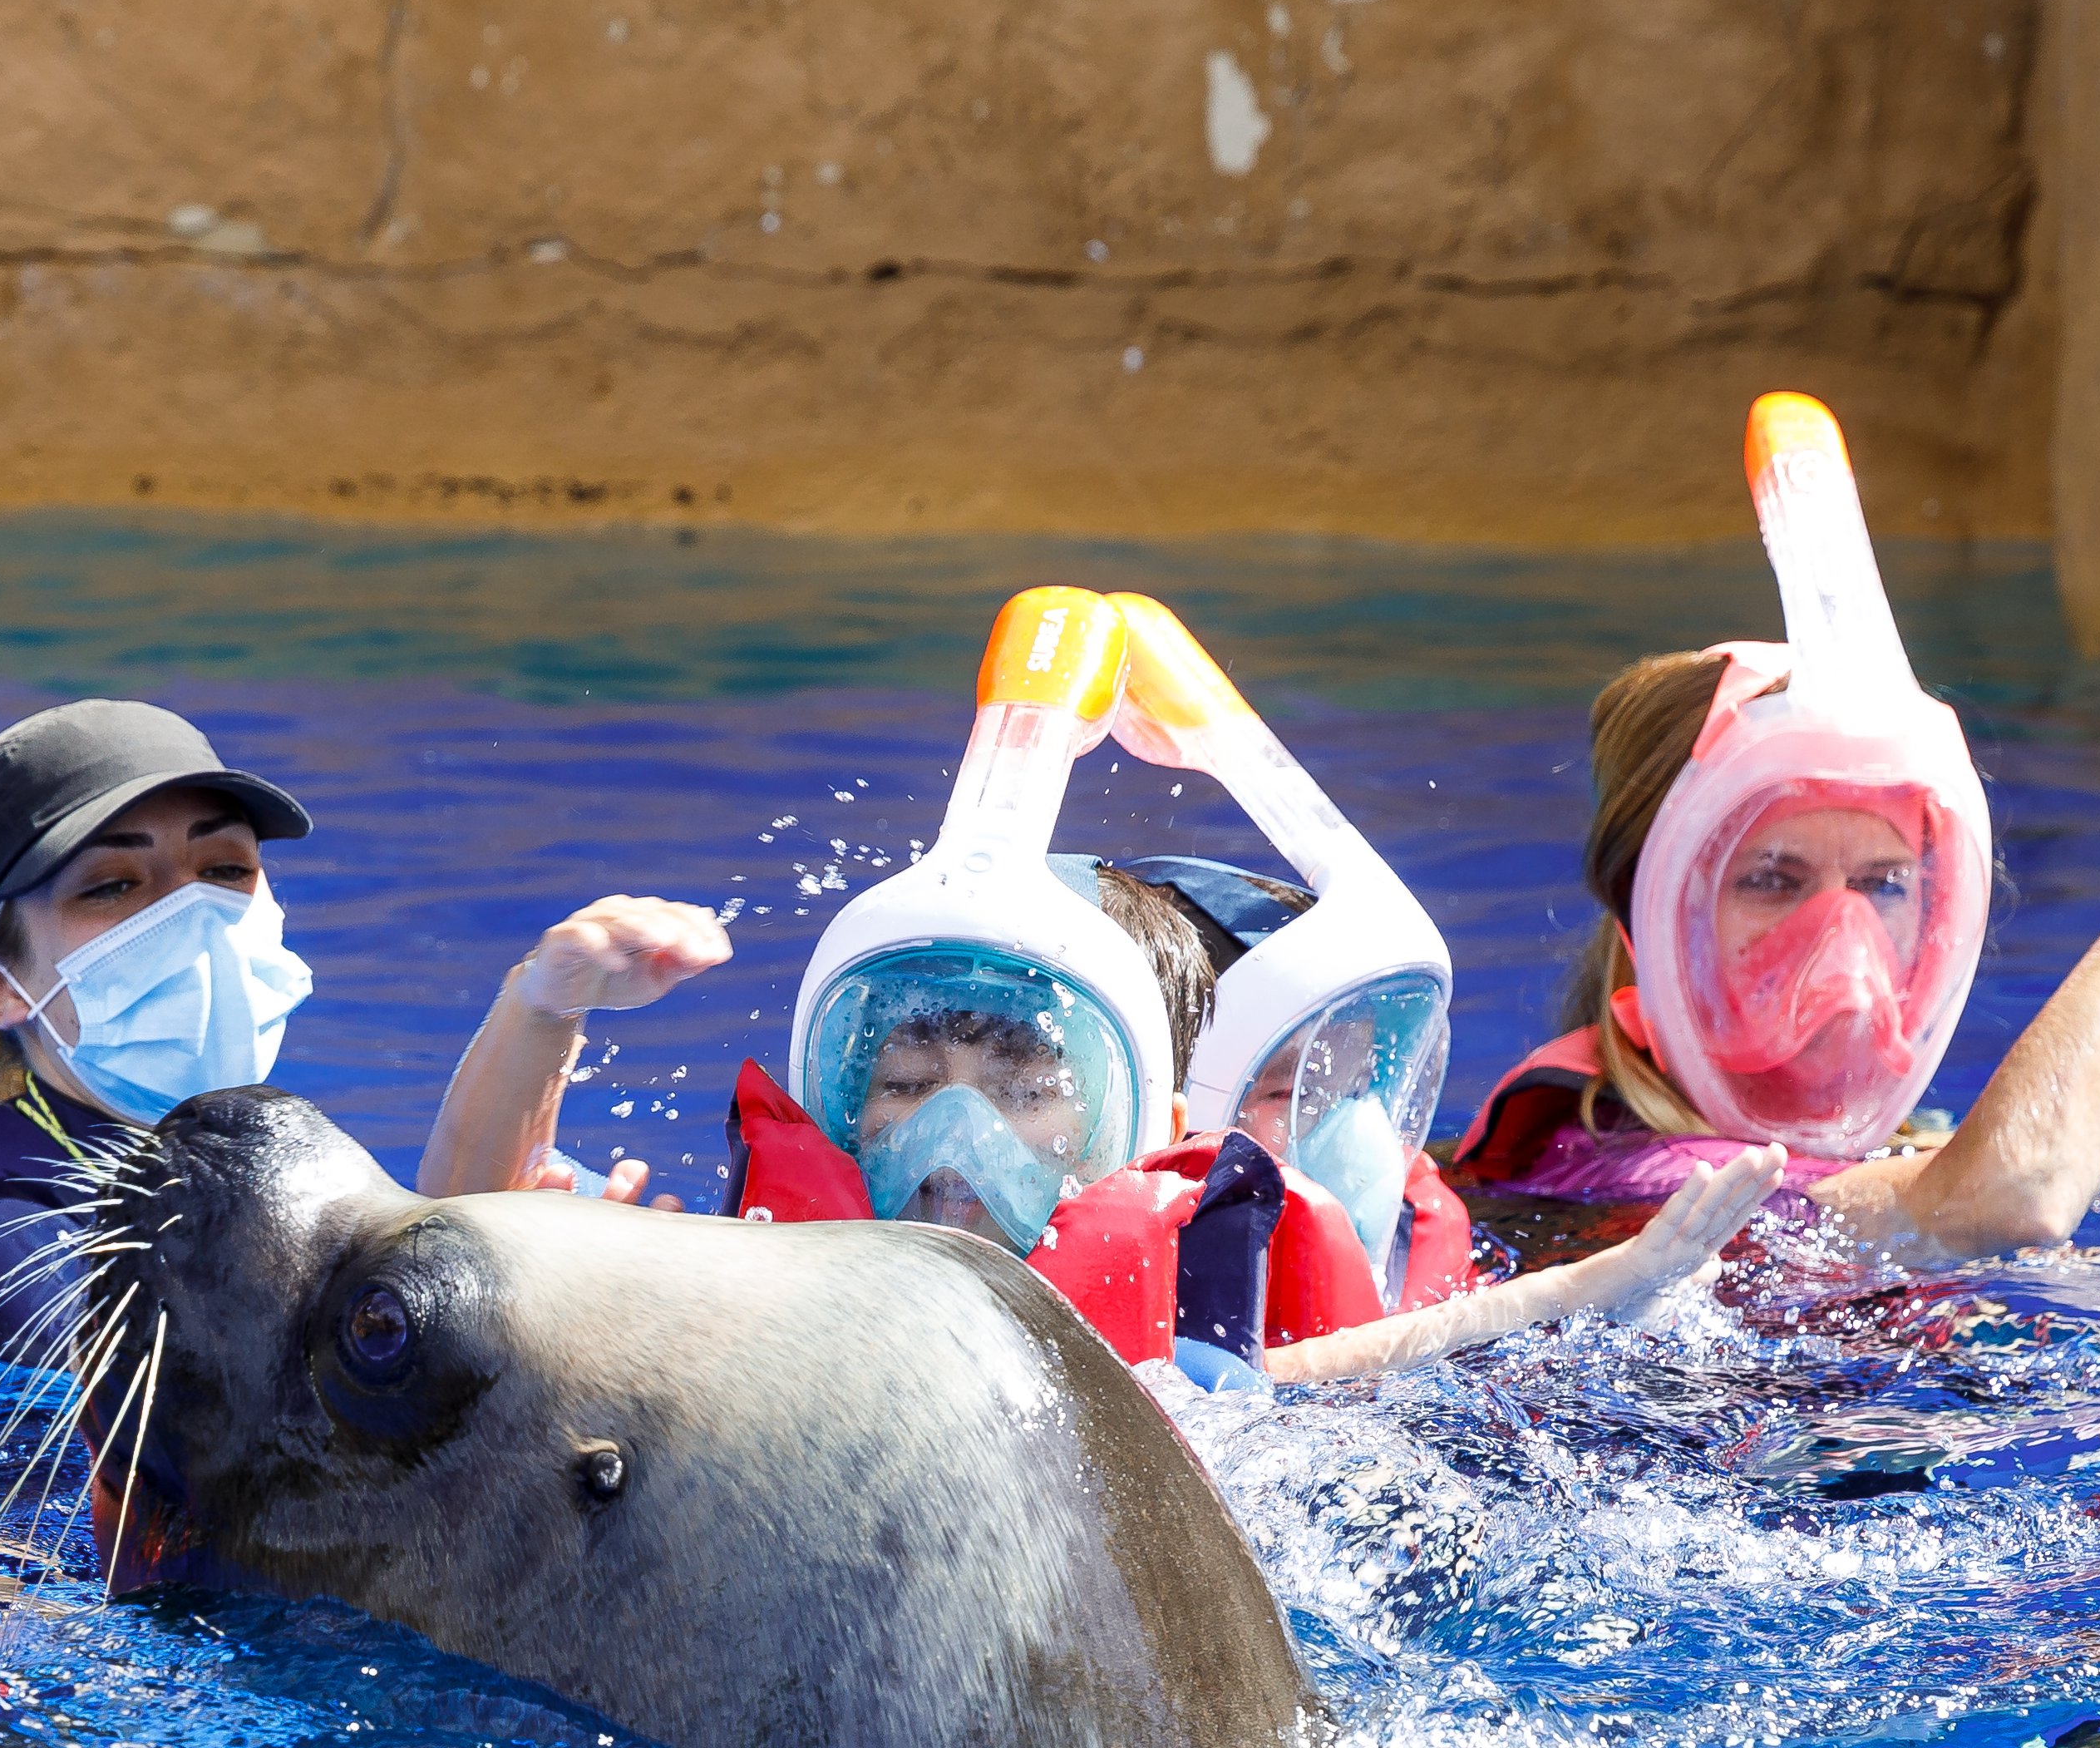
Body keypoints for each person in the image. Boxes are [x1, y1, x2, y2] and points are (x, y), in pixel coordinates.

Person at [1452, 392, 2100, 1262]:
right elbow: (2014, 1196)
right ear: (1648, 917)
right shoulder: (1617, 1173)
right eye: (1773, 879)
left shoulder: (1903, 1151)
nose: (1841, 945)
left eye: (1883, 884)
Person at [726, 585, 1757, 1384]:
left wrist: (1594, 1288)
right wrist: (552, 1020)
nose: (956, 1137)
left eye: (1024, 1092)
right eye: (906, 1083)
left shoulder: (1187, 1344)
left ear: (1155, 1128)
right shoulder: (758, 1275)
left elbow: (1298, 1377)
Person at [0, 699, 733, 1360]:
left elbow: (414, 1263)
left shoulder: (251, 1168)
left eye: (226, 869)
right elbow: (271, 1411)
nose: (196, 920)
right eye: (114, 887)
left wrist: (544, 1004)